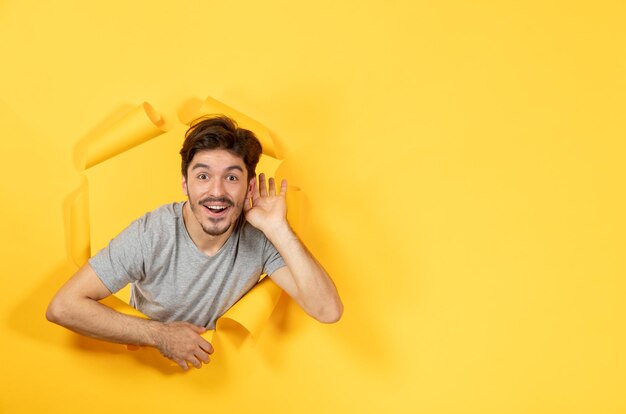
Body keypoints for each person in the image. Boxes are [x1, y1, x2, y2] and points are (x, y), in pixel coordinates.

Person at [46, 115, 343, 370]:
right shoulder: (152, 234)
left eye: (231, 178)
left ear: (249, 187)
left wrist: (279, 229)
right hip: (145, 369)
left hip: (215, 381)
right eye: (203, 176)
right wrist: (160, 336)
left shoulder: (260, 236)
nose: (217, 191)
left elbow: (327, 311)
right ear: (185, 184)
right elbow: (63, 306)